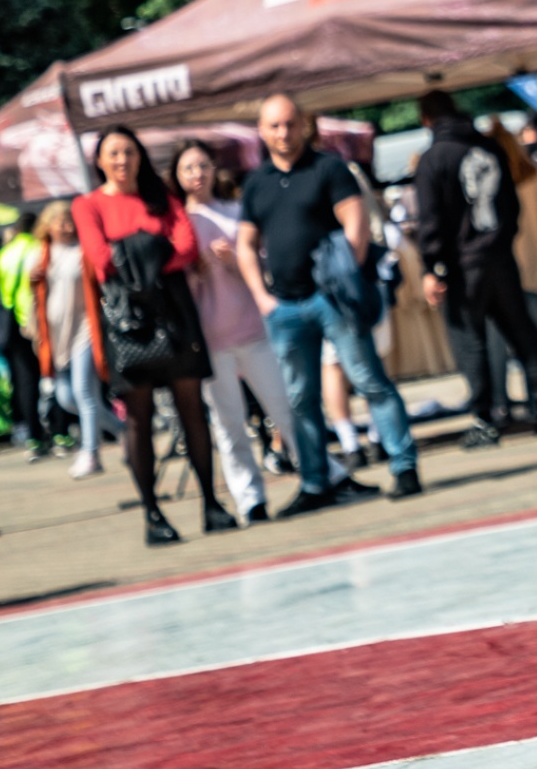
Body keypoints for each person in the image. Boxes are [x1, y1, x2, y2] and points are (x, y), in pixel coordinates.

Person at [237, 94, 422, 509]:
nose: (283, 133)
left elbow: (356, 223)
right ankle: (316, 483)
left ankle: (403, 465)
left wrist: (343, 278)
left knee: (369, 380)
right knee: (300, 398)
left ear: (303, 125)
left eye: (290, 124)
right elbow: (245, 243)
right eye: (274, 126)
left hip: (331, 299)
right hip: (284, 306)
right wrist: (262, 297)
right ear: (262, 131)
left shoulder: (328, 168)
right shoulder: (257, 182)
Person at [173, 140, 355, 524]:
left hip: (253, 327)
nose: (197, 174)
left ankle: (324, 475)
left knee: (285, 406)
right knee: (229, 424)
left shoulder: (235, 211)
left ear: (214, 169)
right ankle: (250, 499)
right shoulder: (178, 224)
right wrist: (194, 271)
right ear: (177, 176)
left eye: (203, 165)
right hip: (209, 338)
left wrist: (235, 262)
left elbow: (262, 260)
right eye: (188, 168)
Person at [72, 126, 234, 544]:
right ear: (99, 161)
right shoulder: (88, 205)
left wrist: (133, 253)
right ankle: (152, 514)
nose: (122, 160)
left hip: (174, 311)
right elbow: (101, 259)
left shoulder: (161, 197)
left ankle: (211, 503)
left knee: (192, 408)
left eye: (129, 152)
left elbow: (186, 247)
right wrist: (154, 248)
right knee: (138, 418)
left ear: (140, 156)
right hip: (127, 319)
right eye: (113, 153)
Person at [411, 91, 537, 446]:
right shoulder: (489, 148)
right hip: (499, 255)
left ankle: (485, 417)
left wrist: (433, 266)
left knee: (470, 341)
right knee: (522, 332)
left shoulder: (434, 159)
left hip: (462, 265)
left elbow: (431, 219)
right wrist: (501, 240)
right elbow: (511, 206)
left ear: (426, 120)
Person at [26, 202, 123, 479]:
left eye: (69, 220)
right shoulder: (40, 255)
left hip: (85, 328)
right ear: (47, 225)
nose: (66, 226)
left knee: (84, 392)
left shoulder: (83, 250)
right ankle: (123, 430)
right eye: (59, 220)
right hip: (56, 335)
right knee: (66, 398)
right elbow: (34, 296)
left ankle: (90, 453)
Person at [488, 119, 537, 431]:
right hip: (533, 269)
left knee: (496, 345)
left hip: (497, 273)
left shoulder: (487, 183)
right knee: (533, 341)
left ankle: (499, 406)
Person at [0, 214, 55, 461]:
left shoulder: (3, 254)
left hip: (14, 321)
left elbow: (4, 292)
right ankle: (61, 431)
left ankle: (33, 436)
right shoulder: (38, 248)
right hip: (39, 319)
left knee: (25, 381)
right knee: (51, 373)